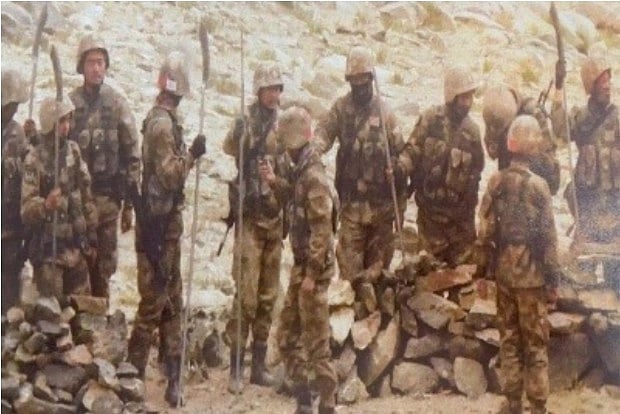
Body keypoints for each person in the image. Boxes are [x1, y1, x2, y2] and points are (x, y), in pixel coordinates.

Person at [126, 52, 205, 407]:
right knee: (153, 304)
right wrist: (192, 156)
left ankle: (173, 377)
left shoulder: (163, 121)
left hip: (166, 226)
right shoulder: (161, 126)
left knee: (172, 302)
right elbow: (171, 175)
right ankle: (132, 376)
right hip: (157, 229)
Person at [475, 115, 561, 414]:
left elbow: (484, 233)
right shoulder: (540, 187)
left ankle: (512, 402)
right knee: (535, 344)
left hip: (504, 276)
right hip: (532, 279)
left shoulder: (496, 182)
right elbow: (549, 238)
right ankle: (537, 405)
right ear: (533, 147)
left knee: (509, 340)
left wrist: (482, 273)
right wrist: (553, 280)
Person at [314, 45, 406, 319]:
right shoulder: (341, 109)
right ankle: (348, 330)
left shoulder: (386, 113)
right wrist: (314, 151)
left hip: (381, 210)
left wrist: (397, 168)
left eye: (364, 79)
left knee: (379, 274)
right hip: (352, 207)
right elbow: (323, 133)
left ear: (371, 79)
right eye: (354, 80)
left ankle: (379, 330)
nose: (359, 85)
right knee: (350, 276)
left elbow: (403, 153)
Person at [263, 106, 338, 414]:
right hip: (302, 266)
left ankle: (328, 403)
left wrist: (311, 275)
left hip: (313, 270)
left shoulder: (314, 177)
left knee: (317, 341)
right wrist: (274, 182)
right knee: (287, 335)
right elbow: (295, 198)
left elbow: (322, 230)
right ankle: (304, 399)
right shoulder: (301, 171)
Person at [222, 62, 288, 393]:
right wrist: (239, 133)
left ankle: (258, 365)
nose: (273, 95)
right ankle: (236, 367)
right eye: (268, 89)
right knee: (245, 297)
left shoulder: (284, 124)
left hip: (274, 219)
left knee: (267, 297)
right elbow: (228, 148)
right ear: (259, 91)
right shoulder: (246, 121)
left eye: (277, 89)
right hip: (250, 219)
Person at [68, 34, 141, 301]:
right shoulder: (70, 104)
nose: (96, 68)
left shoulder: (117, 104)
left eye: (100, 62)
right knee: (77, 264)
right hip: (77, 202)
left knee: (104, 267)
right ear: (82, 66)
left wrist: (130, 205)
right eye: (91, 62)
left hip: (108, 201)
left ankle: (102, 314)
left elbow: (132, 154)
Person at [397, 65, 484, 266]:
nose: (468, 103)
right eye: (463, 98)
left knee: (462, 276)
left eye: (470, 97)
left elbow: (476, 173)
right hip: (430, 219)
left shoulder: (472, 132)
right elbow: (412, 150)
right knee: (427, 273)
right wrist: (401, 168)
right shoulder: (430, 119)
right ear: (451, 96)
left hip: (460, 224)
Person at [551, 54, 619, 291]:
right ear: (591, 86)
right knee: (581, 284)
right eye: (602, 81)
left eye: (609, 80)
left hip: (615, 220)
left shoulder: (618, 119)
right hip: (587, 216)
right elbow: (559, 131)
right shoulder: (581, 119)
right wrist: (558, 88)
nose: (607, 86)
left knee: (616, 283)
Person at [21, 97, 98, 303]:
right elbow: (26, 209)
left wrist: (91, 235)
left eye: (68, 120)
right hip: (49, 253)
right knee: (51, 312)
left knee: (84, 310)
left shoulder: (73, 150)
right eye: (61, 121)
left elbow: (86, 195)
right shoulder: (34, 159)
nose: (66, 126)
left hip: (75, 248)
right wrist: (45, 205)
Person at [483, 84, 560, 194]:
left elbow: (551, 174)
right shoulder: (496, 111)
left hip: (531, 184)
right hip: (508, 179)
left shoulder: (533, 114)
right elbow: (492, 152)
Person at [2, 69, 30, 313]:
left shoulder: (18, 134)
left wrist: (35, 140)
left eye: (15, 106)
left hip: (9, 226)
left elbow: (29, 172)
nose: (12, 110)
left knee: (9, 291)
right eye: (9, 105)